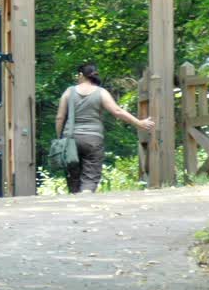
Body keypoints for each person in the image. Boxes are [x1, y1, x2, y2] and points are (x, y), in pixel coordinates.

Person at [55, 62, 156, 194]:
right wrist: (139, 123)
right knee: (90, 177)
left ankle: (75, 200)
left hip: (70, 139)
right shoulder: (101, 92)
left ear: (81, 75)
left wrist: (60, 137)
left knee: (73, 176)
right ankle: (86, 195)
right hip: (93, 139)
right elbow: (117, 111)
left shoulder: (69, 92)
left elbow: (60, 118)